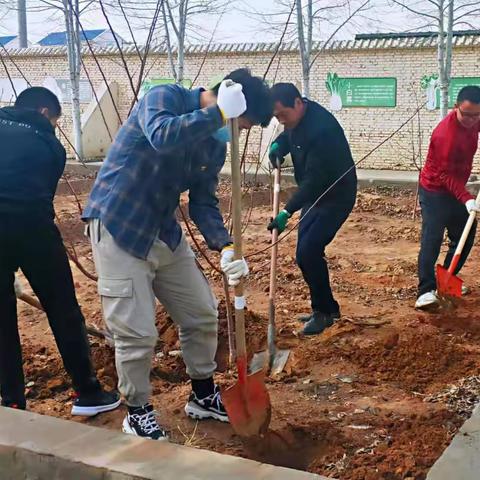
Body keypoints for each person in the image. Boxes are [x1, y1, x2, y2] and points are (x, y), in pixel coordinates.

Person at [83, 69, 273, 440]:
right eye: (243, 124)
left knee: (201, 313)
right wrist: (219, 115)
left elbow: (203, 201)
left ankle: (203, 395)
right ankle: (137, 412)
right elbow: (162, 137)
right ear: (225, 99)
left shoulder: (214, 144)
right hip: (119, 224)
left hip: (162, 232)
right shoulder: (164, 97)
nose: (240, 132)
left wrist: (226, 245)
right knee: (136, 332)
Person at [0, 87, 120, 415]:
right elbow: (41, 195)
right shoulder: (51, 146)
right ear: (43, 113)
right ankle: (88, 393)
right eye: (54, 119)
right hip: (32, 230)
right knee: (63, 308)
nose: (54, 125)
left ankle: (11, 402)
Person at [267, 83, 357, 336]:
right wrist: (278, 147)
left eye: (283, 114)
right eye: (277, 117)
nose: (281, 121)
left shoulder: (322, 130)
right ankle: (329, 307)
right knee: (304, 252)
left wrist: (287, 211)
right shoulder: (297, 119)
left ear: (298, 102)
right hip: (315, 195)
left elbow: (314, 181)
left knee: (308, 252)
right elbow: (289, 135)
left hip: (335, 196)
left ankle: (324, 313)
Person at [415, 86, 480, 310]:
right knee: (432, 240)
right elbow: (443, 175)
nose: (471, 120)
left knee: (465, 234)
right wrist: (467, 198)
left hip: (456, 188)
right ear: (456, 108)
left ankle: (447, 280)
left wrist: (462, 195)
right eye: (466, 114)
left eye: (476, 115)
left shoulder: (474, 120)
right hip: (435, 190)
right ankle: (425, 291)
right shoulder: (446, 134)